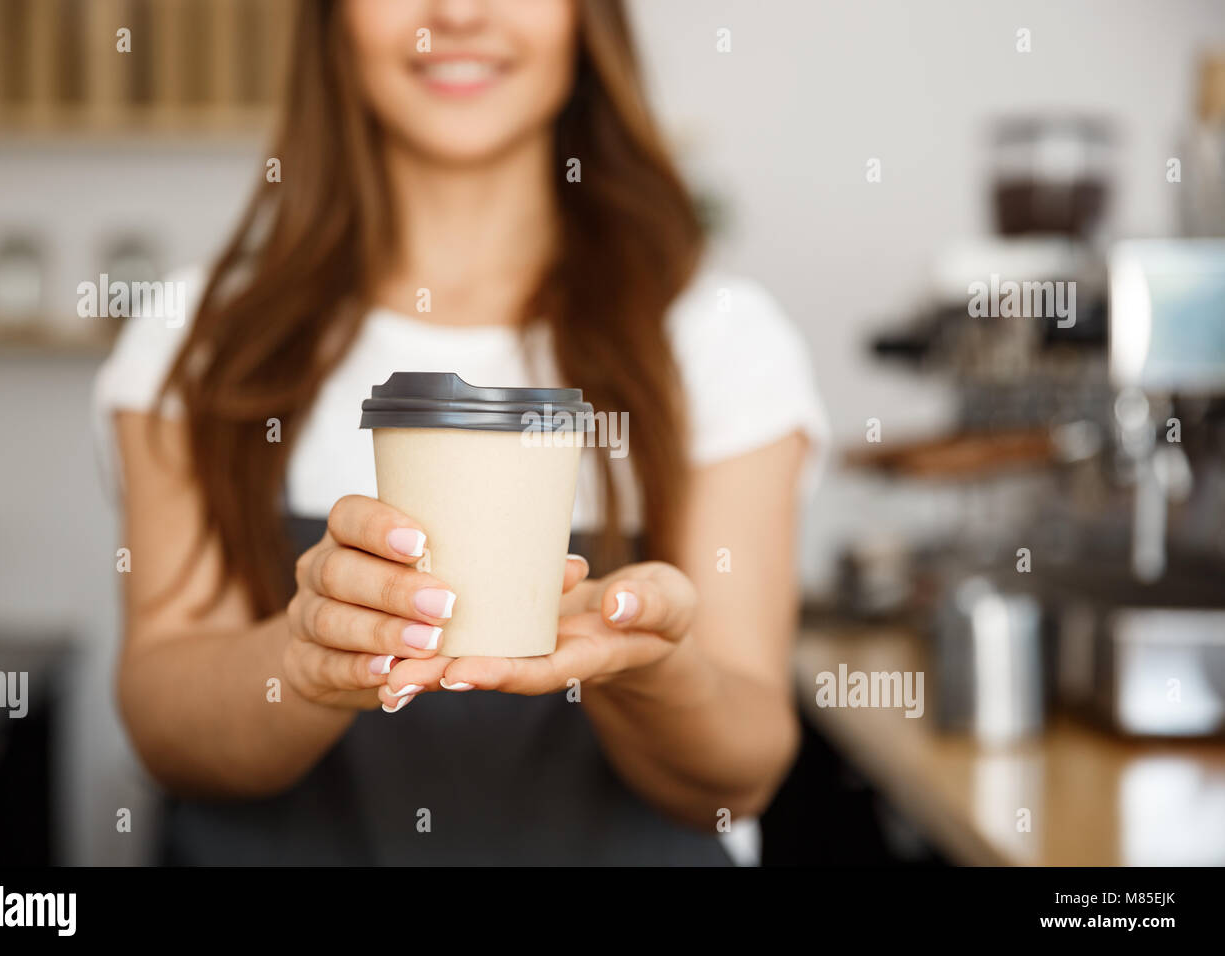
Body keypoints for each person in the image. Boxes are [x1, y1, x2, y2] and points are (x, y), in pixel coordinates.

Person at [93, 0, 828, 865]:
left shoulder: (717, 341)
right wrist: (303, 660)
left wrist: (651, 672)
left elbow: (743, 770)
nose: (460, 12)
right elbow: (164, 722)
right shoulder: (199, 338)